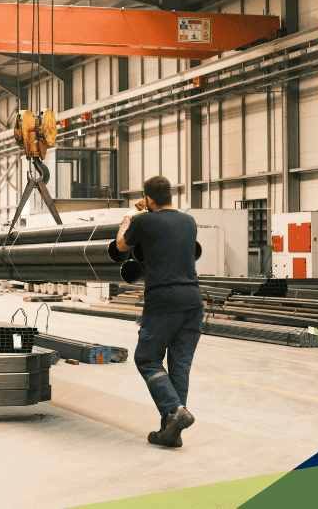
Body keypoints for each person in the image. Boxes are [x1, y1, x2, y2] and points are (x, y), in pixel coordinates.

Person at [116, 175, 202, 448]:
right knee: (180, 367)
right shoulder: (188, 221)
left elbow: (121, 246)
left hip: (163, 300)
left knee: (146, 358)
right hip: (193, 301)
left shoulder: (142, 221)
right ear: (171, 196)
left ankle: (176, 412)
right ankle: (171, 431)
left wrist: (128, 219)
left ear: (149, 198)